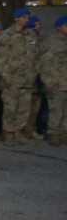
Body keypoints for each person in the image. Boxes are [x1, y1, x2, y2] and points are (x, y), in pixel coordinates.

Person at [0, 8, 39, 145]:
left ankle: (19, 133)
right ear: (16, 18)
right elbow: (1, 59)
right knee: (10, 108)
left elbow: (36, 56)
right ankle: (9, 134)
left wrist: (34, 72)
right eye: (24, 17)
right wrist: (6, 76)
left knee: (24, 108)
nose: (26, 20)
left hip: (27, 78)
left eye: (27, 17)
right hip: (12, 79)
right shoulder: (7, 35)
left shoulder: (31, 35)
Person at [41, 16, 67, 146]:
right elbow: (45, 64)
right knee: (56, 110)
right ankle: (54, 134)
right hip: (56, 82)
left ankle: (64, 133)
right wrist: (48, 82)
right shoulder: (51, 42)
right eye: (66, 26)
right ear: (59, 27)